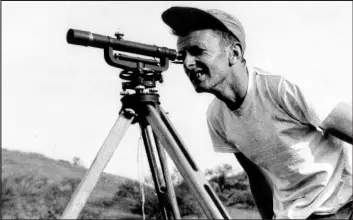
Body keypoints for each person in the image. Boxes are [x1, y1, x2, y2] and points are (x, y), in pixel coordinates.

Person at [161, 6, 352, 219]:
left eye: (198, 51)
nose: (187, 63)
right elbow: (257, 177)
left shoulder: (280, 87)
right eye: (182, 55)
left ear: (234, 53)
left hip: (344, 205)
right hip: (297, 214)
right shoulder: (216, 117)